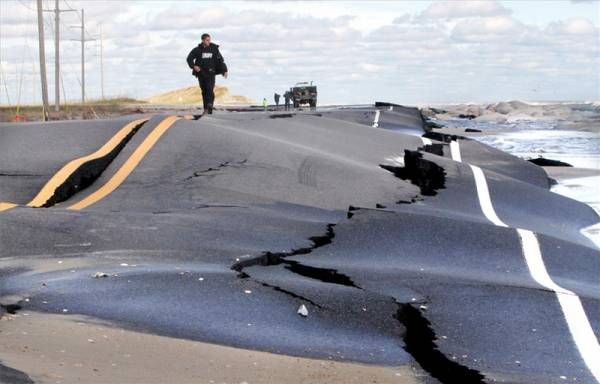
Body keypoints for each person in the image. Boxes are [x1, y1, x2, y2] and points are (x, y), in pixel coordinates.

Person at [186, 33, 228, 115]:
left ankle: (210, 107)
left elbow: (220, 60)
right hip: (201, 73)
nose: (209, 41)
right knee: (204, 91)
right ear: (203, 40)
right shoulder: (197, 50)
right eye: (207, 40)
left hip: (211, 73)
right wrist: (194, 66)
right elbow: (189, 58)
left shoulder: (214, 49)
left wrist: (224, 70)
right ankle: (205, 109)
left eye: (209, 40)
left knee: (210, 89)